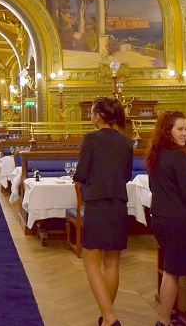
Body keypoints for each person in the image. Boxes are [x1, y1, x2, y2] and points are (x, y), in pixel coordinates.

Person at [72, 96, 133, 326]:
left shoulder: (91, 138)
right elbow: (126, 175)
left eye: (91, 112)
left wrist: (80, 178)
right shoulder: (126, 142)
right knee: (112, 263)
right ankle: (107, 318)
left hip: (97, 203)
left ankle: (109, 317)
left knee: (90, 260)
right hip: (118, 203)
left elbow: (81, 173)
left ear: (97, 116)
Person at [144, 110, 186, 326]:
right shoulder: (178, 156)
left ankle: (175, 313)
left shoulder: (156, 154)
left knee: (171, 268)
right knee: (172, 272)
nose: (185, 133)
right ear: (168, 131)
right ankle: (164, 320)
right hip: (178, 221)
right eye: (180, 129)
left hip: (159, 218)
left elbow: (153, 187)